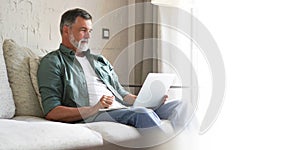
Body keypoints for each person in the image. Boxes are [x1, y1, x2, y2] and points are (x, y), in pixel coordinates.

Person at [37, 8, 183, 132]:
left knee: (181, 106)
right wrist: (94, 108)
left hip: (122, 110)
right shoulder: (53, 62)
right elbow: (52, 111)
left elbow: (122, 94)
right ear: (66, 30)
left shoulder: (99, 61)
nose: (88, 36)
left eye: (90, 31)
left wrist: (149, 99)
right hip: (94, 115)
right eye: (83, 30)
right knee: (142, 113)